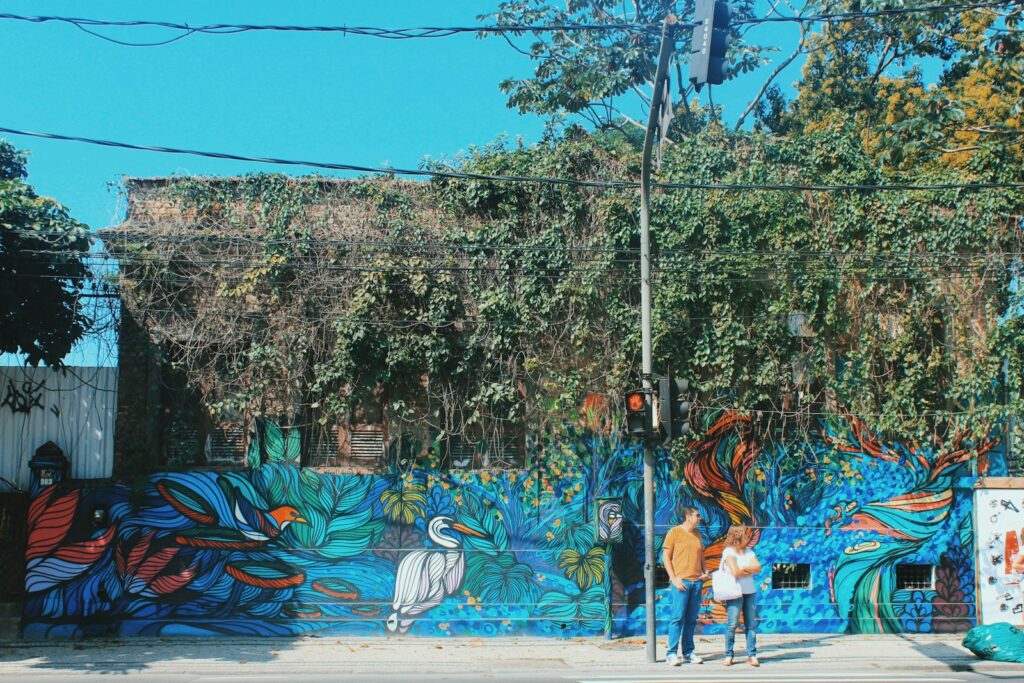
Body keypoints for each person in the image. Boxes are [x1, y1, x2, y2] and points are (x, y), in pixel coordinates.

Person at [662, 506, 710, 666]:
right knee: (677, 618)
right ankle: (671, 654)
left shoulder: (697, 534)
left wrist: (705, 571)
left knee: (691, 619)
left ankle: (688, 652)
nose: (699, 518)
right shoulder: (674, 532)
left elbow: (701, 555)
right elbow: (666, 557)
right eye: (697, 515)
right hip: (681, 583)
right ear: (688, 517)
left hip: (696, 583)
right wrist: (674, 579)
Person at [721, 524, 761, 667]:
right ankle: (729, 655)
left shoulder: (749, 552)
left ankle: (752, 655)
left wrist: (743, 568)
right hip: (734, 592)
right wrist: (747, 569)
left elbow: (758, 567)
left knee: (751, 625)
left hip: (749, 591)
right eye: (746, 535)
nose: (749, 538)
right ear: (738, 536)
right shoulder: (728, 552)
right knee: (732, 624)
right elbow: (735, 572)